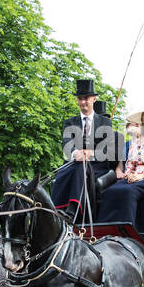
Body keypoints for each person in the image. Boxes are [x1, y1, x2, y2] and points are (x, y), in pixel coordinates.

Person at [97, 106, 144, 237]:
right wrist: (130, 174)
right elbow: (130, 163)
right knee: (111, 190)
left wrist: (141, 176)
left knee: (128, 191)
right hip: (134, 176)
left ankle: (128, 233)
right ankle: (104, 231)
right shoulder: (135, 142)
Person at [51, 78, 118, 221]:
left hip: (96, 166)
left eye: (86, 98)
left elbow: (108, 149)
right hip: (74, 163)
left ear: (94, 99)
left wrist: (91, 154)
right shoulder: (69, 122)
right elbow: (66, 143)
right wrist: (75, 153)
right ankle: (53, 211)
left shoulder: (105, 122)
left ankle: (72, 209)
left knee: (79, 169)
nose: (83, 102)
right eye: (80, 98)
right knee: (69, 170)